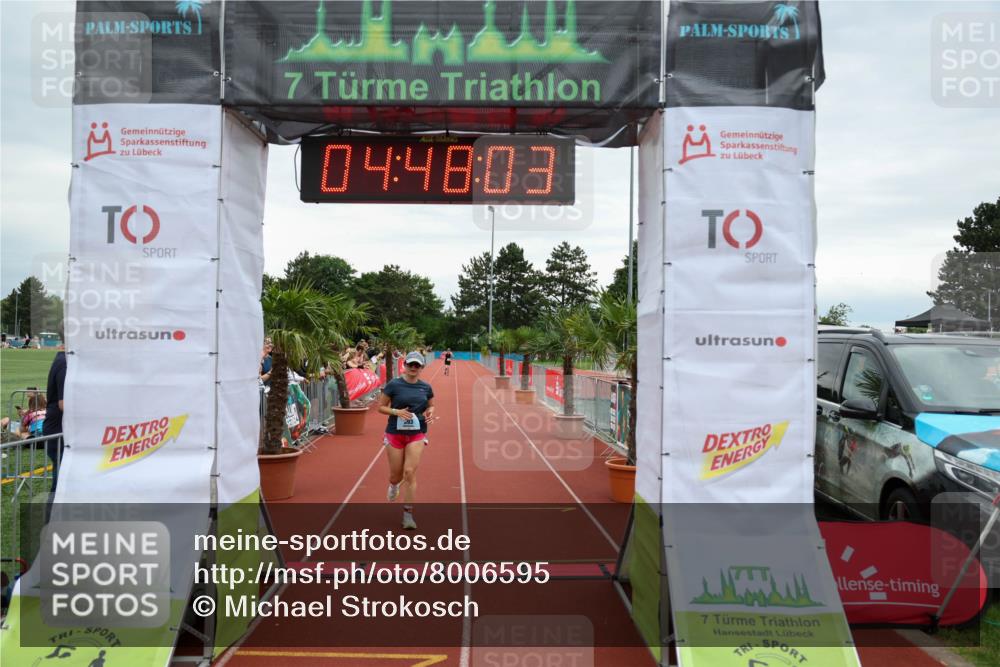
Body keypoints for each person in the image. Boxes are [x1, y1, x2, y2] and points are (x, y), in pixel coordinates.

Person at [377, 351, 435, 530]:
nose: (413, 368)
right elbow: (380, 407)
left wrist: (431, 412)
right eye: (411, 364)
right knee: (396, 475)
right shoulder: (394, 384)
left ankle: (407, 516)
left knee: (409, 472)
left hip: (417, 432)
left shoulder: (426, 387)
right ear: (405, 365)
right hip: (395, 432)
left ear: (421, 368)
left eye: (417, 365)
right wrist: (397, 412)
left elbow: (431, 404)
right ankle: (393, 486)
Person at [42, 351, 67, 491]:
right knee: (61, 485)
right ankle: (52, 512)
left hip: (59, 430)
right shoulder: (65, 363)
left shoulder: (63, 360)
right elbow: (63, 404)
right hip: (59, 431)